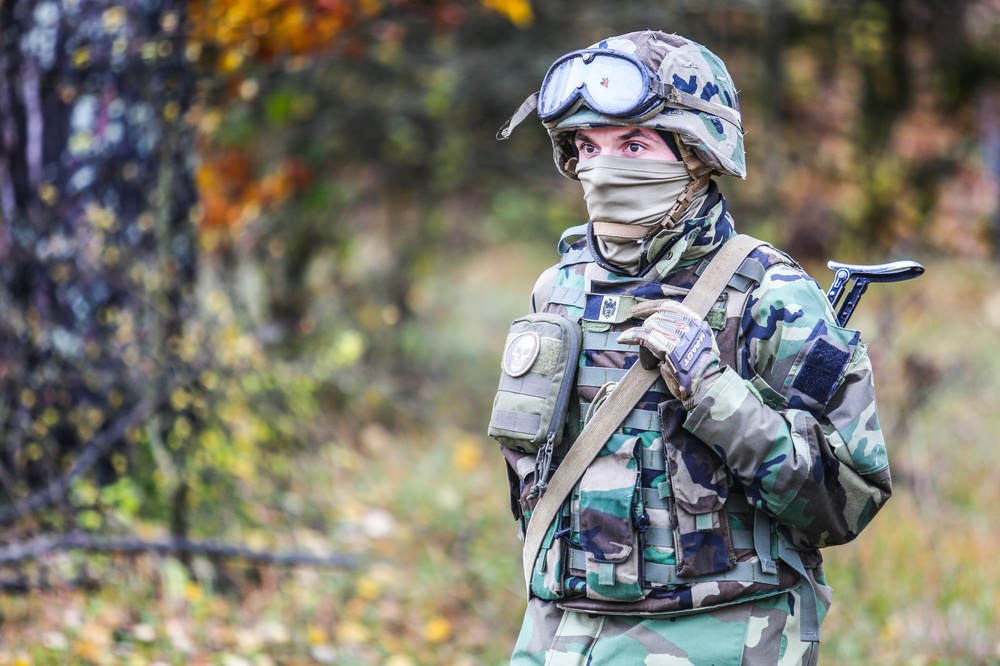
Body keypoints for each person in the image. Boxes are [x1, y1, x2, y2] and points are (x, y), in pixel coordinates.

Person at [489, 30, 892, 664]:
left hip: (719, 632)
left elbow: (847, 502)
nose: (602, 167)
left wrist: (713, 387)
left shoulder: (771, 292)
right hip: (560, 630)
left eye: (633, 144)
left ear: (697, 153)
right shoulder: (560, 289)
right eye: (586, 146)